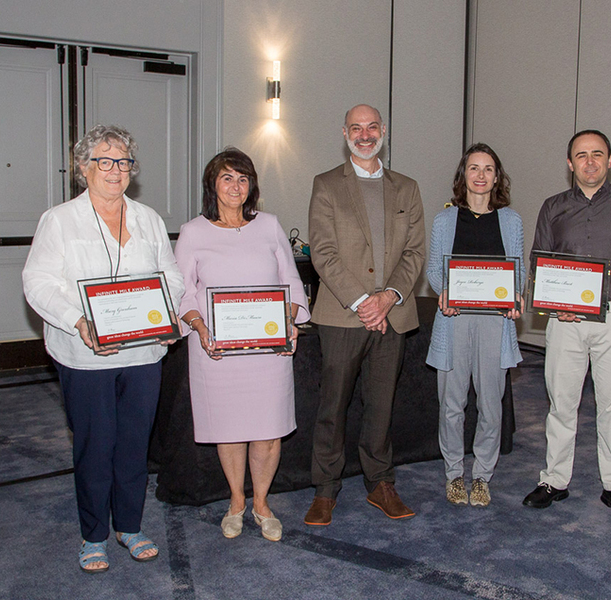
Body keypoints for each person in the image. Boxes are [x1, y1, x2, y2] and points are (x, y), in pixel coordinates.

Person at [22, 124, 184, 572]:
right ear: (83, 168)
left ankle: (129, 526)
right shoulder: (58, 220)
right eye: (105, 161)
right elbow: (38, 282)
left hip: (143, 354)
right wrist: (79, 321)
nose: (116, 170)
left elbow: (170, 276)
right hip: (84, 353)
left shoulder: (148, 219)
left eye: (124, 162)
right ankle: (93, 534)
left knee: (134, 444)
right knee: (95, 446)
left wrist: (165, 314)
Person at [523, 130, 611, 521]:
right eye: (581, 155)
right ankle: (554, 480)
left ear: (610, 159)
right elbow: (539, 262)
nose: (589, 162)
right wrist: (551, 305)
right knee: (561, 404)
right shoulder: (552, 207)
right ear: (570, 164)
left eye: (597, 154)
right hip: (565, 323)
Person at [174, 147, 308, 542]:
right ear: (212, 184)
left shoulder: (269, 225)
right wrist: (198, 327)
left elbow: (292, 281)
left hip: (268, 349)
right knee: (229, 430)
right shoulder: (193, 231)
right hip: (216, 351)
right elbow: (182, 292)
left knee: (268, 430)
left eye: (243, 178)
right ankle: (236, 501)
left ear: (253, 187)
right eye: (227, 177)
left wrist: (290, 319)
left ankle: (262, 504)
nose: (236, 186)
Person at [304, 104, 425, 526]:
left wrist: (388, 297)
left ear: (383, 131)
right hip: (342, 315)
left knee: (382, 405)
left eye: (372, 126)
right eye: (356, 128)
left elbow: (415, 252)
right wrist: (363, 301)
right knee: (332, 406)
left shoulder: (406, 187)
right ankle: (325, 488)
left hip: (392, 315)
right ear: (345, 134)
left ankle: (380, 483)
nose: (365, 134)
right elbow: (323, 252)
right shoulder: (325, 185)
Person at [426, 143, 524, 507]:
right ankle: (454, 473)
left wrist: (516, 299)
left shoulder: (511, 220)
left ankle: (482, 475)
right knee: (451, 405)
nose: (480, 175)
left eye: (488, 169)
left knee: (490, 405)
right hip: (454, 321)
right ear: (463, 175)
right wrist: (445, 293)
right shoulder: (444, 220)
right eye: (474, 168)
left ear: (497, 177)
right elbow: (435, 271)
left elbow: (519, 270)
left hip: (495, 324)